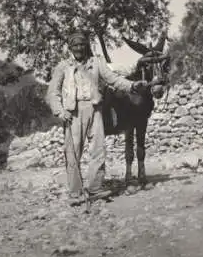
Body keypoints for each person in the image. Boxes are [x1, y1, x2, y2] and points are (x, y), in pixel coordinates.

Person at [46, 29, 147, 202]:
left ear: (86, 46)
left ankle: (95, 189)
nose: (79, 48)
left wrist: (132, 86)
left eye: (82, 45)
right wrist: (60, 111)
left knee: (98, 151)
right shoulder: (63, 67)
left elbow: (114, 79)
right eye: (75, 45)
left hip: (95, 110)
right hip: (73, 113)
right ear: (70, 47)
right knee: (73, 153)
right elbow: (52, 93)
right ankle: (75, 193)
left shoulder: (97, 63)